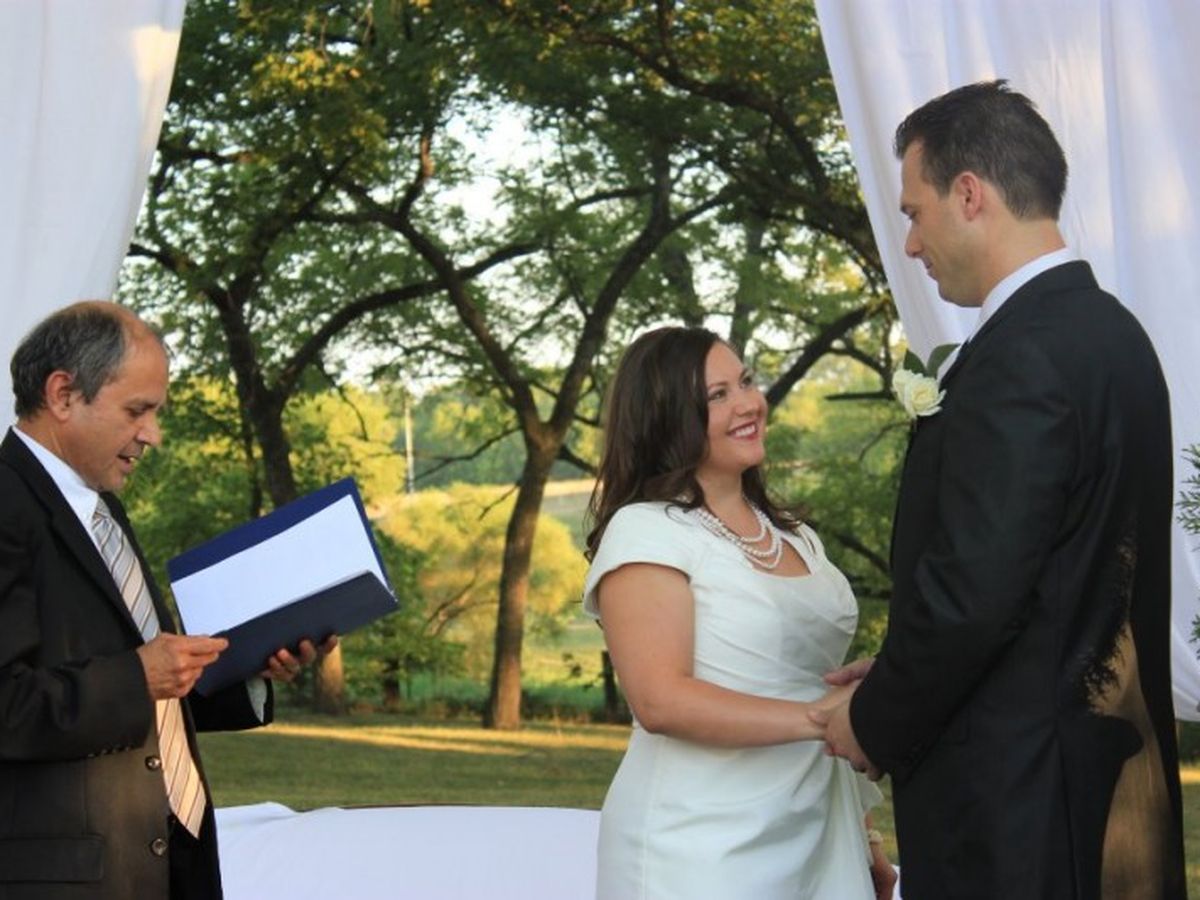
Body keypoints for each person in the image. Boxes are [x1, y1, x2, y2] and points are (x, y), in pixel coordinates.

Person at [818, 80, 1187, 898]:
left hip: (1020, 813)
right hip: (1112, 795)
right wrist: (900, 665)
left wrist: (874, 718)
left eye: (915, 212)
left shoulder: (1022, 356)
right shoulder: (1115, 337)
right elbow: (1059, 582)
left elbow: (974, 594)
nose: (911, 242)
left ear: (969, 194)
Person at [0, 300, 336, 900]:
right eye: (138, 410)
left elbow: (147, 693)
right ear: (62, 394)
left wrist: (247, 668)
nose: (152, 435)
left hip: (166, 863)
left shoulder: (102, 510)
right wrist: (139, 675)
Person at [582, 325, 895, 900]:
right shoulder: (646, 531)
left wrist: (865, 830)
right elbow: (660, 700)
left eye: (746, 382)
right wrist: (826, 719)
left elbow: (814, 677)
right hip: (700, 843)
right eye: (717, 395)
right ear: (668, 418)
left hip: (817, 829)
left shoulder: (796, 537)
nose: (749, 403)